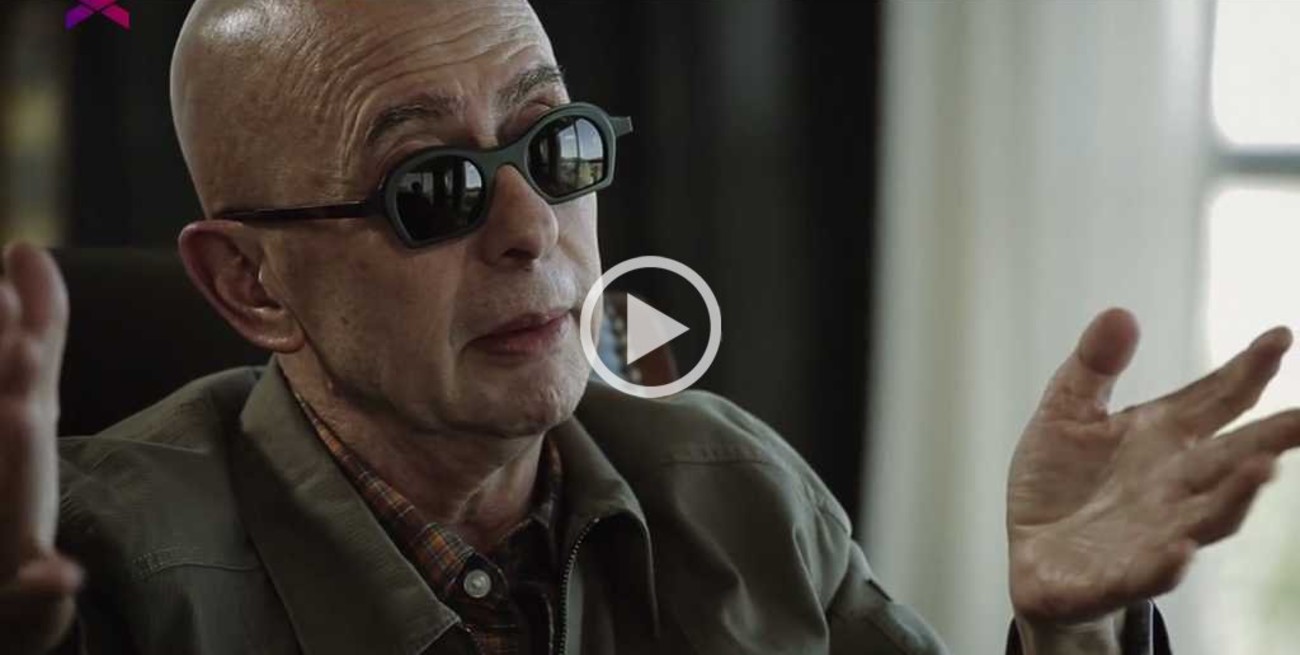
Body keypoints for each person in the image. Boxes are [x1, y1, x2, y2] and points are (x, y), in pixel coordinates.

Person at [2, 1, 1298, 653]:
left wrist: (1068, 634)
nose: (534, 229)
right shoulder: (85, 565)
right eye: (433, 187)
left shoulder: (735, 486)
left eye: (555, 145)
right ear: (250, 284)